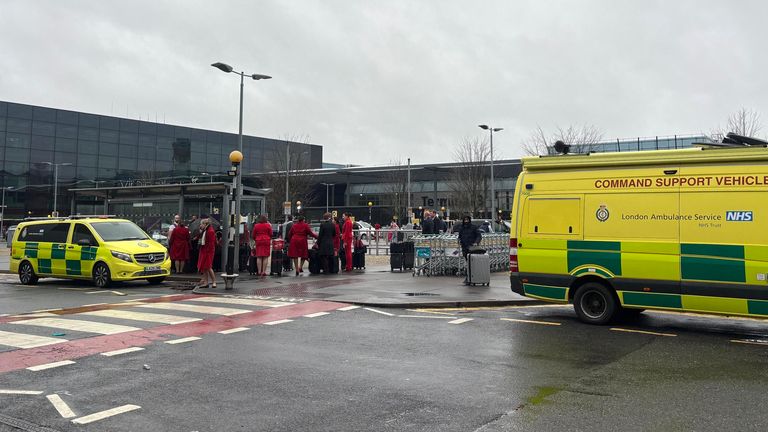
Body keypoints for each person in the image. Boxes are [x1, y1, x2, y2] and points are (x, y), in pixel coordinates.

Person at [457, 216, 482, 284]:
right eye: (465, 220)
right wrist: (459, 240)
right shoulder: (461, 228)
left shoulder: (473, 227)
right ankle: (468, 277)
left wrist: (476, 242)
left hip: (472, 248)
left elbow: (479, 235)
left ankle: (471, 277)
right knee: (468, 263)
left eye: (467, 220)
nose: (466, 221)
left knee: (471, 263)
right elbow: (460, 236)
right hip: (464, 248)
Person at [195, 218, 217, 289]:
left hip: (208, 251)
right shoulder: (205, 230)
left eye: (201, 224)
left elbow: (211, 243)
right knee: (204, 267)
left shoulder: (210, 231)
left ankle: (214, 282)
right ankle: (206, 282)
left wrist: (207, 251)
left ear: (205, 224)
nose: (200, 225)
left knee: (208, 267)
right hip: (204, 250)